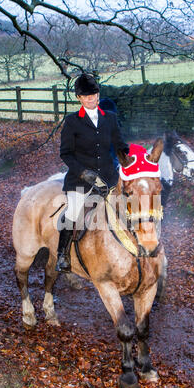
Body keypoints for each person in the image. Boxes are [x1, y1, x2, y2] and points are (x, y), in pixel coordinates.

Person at [56, 73, 129, 272]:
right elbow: (66, 154)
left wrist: (129, 159)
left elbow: (120, 145)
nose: (91, 99)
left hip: (108, 177)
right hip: (81, 180)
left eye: (94, 94)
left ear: (98, 95)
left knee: (131, 206)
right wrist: (83, 173)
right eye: (86, 96)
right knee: (72, 211)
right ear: (79, 98)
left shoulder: (110, 119)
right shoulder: (72, 122)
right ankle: (62, 255)